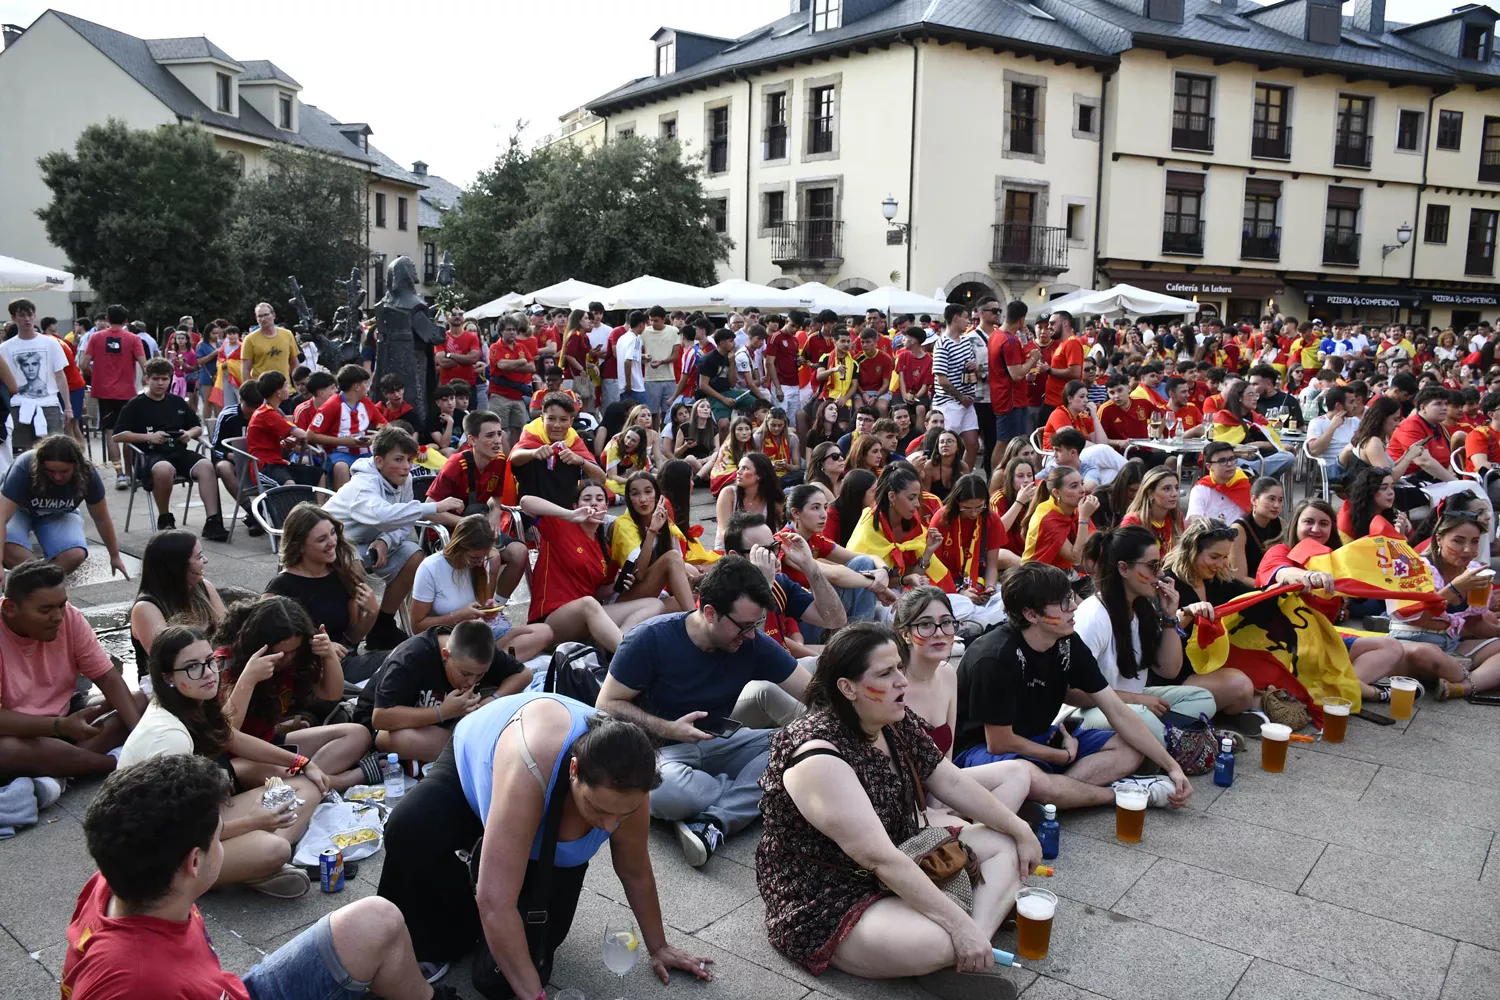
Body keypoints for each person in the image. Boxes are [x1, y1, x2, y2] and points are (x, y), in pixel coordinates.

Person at [376, 693, 713, 995]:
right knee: (410, 828)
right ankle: (416, 939)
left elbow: (635, 871)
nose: (609, 826)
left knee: (505, 978)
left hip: (540, 795)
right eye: (598, 808)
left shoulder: (633, 788)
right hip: (482, 756)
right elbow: (495, 902)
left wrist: (659, 946)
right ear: (575, 771)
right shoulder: (532, 768)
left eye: (621, 814)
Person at [755, 622, 1039, 979]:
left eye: (900, 669)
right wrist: (955, 927)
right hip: (832, 894)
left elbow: (949, 780)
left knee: (1005, 844)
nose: (903, 682)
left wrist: (1022, 828)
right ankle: (961, 946)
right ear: (847, 688)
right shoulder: (817, 757)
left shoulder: (891, 718)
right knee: (937, 940)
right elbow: (879, 858)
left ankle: (970, 951)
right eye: (886, 673)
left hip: (904, 850)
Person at [64, 754, 459, 999]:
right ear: (194, 863)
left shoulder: (115, 877)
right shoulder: (136, 984)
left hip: (226, 990)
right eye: (218, 832)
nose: (226, 836)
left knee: (378, 918)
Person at [597, 555, 810, 866]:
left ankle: (715, 820)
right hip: (659, 752)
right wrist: (668, 728)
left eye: (757, 624)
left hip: (717, 741)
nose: (751, 634)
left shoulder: (752, 642)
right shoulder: (650, 639)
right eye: (744, 626)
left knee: (799, 744)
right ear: (709, 612)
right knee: (665, 793)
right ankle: (758, 791)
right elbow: (606, 704)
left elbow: (813, 690)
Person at [955, 562, 1193, 809]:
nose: (1074, 607)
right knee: (1023, 773)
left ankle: (1050, 798)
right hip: (980, 751)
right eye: (1062, 603)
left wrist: (1172, 766)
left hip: (1039, 737)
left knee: (1129, 749)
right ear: (1031, 614)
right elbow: (999, 742)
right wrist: (1061, 755)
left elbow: (1115, 708)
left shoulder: (1066, 641)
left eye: (1070, 597)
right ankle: (1123, 795)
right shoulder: (995, 657)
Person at [118, 625, 325, 898]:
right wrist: (253, 822)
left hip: (201, 820)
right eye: (192, 667)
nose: (207, 673)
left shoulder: (189, 699)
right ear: (167, 676)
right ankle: (260, 863)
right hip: (162, 859)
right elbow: (182, 832)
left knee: (306, 787)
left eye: (210, 661)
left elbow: (230, 737)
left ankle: (257, 867)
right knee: (275, 848)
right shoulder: (169, 737)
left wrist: (301, 761)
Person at [0, 560, 144, 782]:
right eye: (45, 609)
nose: (58, 616)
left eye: (61, 605)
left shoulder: (70, 616)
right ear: (10, 608)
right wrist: (58, 727)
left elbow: (107, 677)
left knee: (139, 700)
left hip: (65, 718)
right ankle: (118, 764)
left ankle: (61, 770)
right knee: (7, 750)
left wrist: (138, 734)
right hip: (19, 731)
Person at [1073, 527, 1219, 746]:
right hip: (1086, 712)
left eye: (1159, 565)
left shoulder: (1143, 608)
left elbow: (1169, 671)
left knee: (1202, 698)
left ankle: (1169, 738)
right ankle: (1179, 740)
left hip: (1133, 704)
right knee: (1141, 716)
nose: (1160, 574)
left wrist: (1170, 618)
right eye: (1153, 566)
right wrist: (1136, 700)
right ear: (1123, 568)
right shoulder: (1093, 614)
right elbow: (1073, 693)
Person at [323, 426, 465, 650]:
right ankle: (348, 637)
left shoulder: (404, 479)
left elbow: (403, 521)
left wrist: (385, 541)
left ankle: (383, 625)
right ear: (378, 461)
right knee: (355, 567)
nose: (407, 467)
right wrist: (435, 506)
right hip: (337, 541)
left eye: (409, 460)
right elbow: (384, 515)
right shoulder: (363, 484)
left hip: (370, 540)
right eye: (398, 459)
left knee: (413, 554)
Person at [219, 595, 379, 791]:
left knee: (358, 734)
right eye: (281, 653)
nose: (287, 659)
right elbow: (226, 734)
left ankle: (310, 781)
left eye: (293, 651)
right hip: (234, 758)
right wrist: (248, 680)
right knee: (276, 774)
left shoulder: (294, 661)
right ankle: (344, 780)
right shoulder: (224, 663)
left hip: (271, 743)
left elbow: (332, 694)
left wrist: (328, 654)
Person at [520, 482, 667, 652]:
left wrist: (617, 585)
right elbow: (525, 502)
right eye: (587, 499)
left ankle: (614, 648)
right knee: (587, 604)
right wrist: (570, 515)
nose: (594, 503)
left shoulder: (603, 550)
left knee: (655, 605)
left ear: (606, 507)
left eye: (599, 499)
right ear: (576, 506)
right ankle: (626, 657)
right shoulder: (560, 527)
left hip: (586, 619)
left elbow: (595, 593)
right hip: (551, 621)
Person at [360, 620, 531, 763]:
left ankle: (422, 760)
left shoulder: (478, 651)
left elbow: (523, 674)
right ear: (445, 655)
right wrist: (443, 712)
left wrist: (493, 698)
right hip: (384, 727)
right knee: (465, 746)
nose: (472, 681)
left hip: (440, 723)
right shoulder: (412, 657)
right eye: (465, 673)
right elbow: (380, 718)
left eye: (480, 675)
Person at [265, 503, 390, 682]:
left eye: (332, 533)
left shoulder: (340, 575)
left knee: (406, 656)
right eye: (321, 539)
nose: (332, 541)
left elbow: (351, 639)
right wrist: (321, 647)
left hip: (344, 664)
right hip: (310, 675)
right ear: (300, 546)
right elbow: (270, 648)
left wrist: (371, 613)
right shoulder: (281, 588)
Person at [113, 357, 230, 540]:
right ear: (147, 379)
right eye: (156, 379)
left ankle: (213, 522)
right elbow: (118, 435)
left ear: (170, 379)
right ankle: (165, 518)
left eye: (165, 379)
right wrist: (148, 437)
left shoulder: (177, 402)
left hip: (178, 451)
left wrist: (189, 434)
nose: (161, 383)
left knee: (207, 466)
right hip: (149, 455)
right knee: (164, 469)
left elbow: (197, 427)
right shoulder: (135, 404)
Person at [1388, 510, 1500, 701]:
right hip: (1412, 643)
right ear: (1439, 539)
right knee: (1426, 653)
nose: (1468, 549)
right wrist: (1455, 588)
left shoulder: (1475, 572)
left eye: (1474, 541)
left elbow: (1474, 623)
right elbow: (1415, 617)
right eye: (1458, 541)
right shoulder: (1416, 567)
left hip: (1451, 645)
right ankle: (1474, 675)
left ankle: (1461, 687)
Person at [410, 514, 554, 660]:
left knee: (544, 632)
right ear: (459, 547)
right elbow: (417, 626)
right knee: (468, 652)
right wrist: (457, 617)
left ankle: (492, 662)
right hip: (452, 640)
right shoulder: (430, 568)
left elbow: (481, 606)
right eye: (474, 558)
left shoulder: (482, 562)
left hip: (481, 634)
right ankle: (495, 662)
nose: (480, 563)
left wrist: (487, 610)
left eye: (483, 557)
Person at [721, 511, 848, 657]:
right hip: (752, 676)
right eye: (763, 552)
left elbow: (835, 620)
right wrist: (764, 588)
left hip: (782, 667)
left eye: (774, 548)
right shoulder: (720, 592)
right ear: (735, 556)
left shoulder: (779, 583)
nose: (774, 558)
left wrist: (809, 566)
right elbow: (750, 651)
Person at [0, 434, 127, 577]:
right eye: (51, 471)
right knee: (10, 549)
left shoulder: (87, 473)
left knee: (74, 554)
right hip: (18, 510)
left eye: (64, 471)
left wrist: (115, 555)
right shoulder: (25, 465)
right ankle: (36, 584)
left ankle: (43, 584)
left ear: (77, 466)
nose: (57, 477)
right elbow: (2, 518)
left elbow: (101, 518)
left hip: (60, 513)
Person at [784, 483, 893, 640]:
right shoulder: (785, 541)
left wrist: (884, 571)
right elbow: (835, 575)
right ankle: (860, 640)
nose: (824, 514)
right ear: (796, 513)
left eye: (825, 507)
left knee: (862, 562)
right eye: (815, 508)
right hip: (798, 624)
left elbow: (867, 558)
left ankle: (861, 637)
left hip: (822, 617)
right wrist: (875, 585)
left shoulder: (815, 539)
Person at [129, 529, 226, 675]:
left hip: (212, 672)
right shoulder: (146, 608)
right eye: (199, 557)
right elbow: (169, 661)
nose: (205, 560)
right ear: (178, 566)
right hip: (172, 687)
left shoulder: (204, 587)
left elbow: (228, 632)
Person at [930, 472, 1018, 599]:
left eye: (979, 507)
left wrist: (990, 588)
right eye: (967, 508)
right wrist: (959, 591)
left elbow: (992, 564)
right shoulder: (941, 519)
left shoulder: (991, 519)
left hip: (977, 581)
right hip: (945, 583)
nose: (973, 513)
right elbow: (933, 567)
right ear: (957, 502)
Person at [509, 391, 606, 507]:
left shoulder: (574, 442)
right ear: (542, 419)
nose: (557, 425)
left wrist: (581, 461)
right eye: (551, 419)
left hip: (567, 514)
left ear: (571, 421)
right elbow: (513, 458)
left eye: (563, 420)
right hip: (533, 516)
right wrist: (533, 453)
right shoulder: (532, 436)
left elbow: (601, 478)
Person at [3, 297, 72, 450]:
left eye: (30, 314)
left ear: (35, 315)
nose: (27, 319)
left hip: (49, 403)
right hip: (19, 404)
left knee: (52, 449)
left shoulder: (51, 343)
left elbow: (60, 375)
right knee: (25, 451)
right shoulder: (6, 348)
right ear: (14, 318)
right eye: (22, 315)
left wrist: (67, 406)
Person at [308, 364, 389, 490]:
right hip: (338, 453)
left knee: (385, 463)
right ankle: (342, 505)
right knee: (341, 467)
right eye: (365, 383)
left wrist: (374, 437)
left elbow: (385, 426)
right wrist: (343, 442)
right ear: (356, 386)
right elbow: (310, 435)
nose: (367, 387)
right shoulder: (332, 405)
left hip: (365, 453)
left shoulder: (366, 402)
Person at [246, 370, 324, 486]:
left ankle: (318, 504)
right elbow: (302, 433)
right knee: (289, 483)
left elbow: (283, 439)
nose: (289, 388)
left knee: (321, 475)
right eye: (286, 385)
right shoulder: (266, 413)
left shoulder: (274, 411)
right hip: (264, 466)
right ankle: (291, 505)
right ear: (278, 393)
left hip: (278, 463)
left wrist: (289, 442)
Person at [931, 304, 982, 470]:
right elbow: (941, 379)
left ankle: (963, 479)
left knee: (973, 445)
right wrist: (961, 397)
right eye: (966, 317)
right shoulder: (942, 344)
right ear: (956, 318)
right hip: (949, 404)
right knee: (946, 448)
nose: (968, 321)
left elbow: (974, 373)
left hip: (967, 401)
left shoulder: (966, 341)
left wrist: (974, 368)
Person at [1021, 465, 1097, 577]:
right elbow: (1076, 558)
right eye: (1074, 486)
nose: (1082, 490)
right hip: (1037, 578)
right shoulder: (1047, 517)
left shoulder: (1076, 508)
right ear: (1056, 493)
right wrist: (1084, 519)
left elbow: (1091, 546)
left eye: (1082, 483)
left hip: (1064, 573)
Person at [1211, 380, 1294, 479]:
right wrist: (1242, 452)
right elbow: (1219, 446)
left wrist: (1257, 445)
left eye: (1256, 395)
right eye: (1251, 395)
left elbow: (1274, 443)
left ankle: (1253, 471)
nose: (1255, 399)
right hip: (1237, 458)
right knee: (1233, 464)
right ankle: (1257, 474)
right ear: (1239, 398)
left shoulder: (1257, 418)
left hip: (1259, 457)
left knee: (1288, 457)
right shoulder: (1224, 416)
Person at [714, 451, 785, 551]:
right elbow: (724, 533)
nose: (738, 472)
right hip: (729, 552)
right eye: (739, 468)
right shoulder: (728, 494)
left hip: (762, 552)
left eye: (745, 468)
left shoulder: (773, 499)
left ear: (760, 475)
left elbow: (787, 530)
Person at [1229, 476, 1284, 586]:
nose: (1277, 505)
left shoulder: (1281, 524)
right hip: (1251, 589)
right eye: (1271, 499)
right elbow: (1239, 577)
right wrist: (1271, 588)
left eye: (1280, 500)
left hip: (1276, 583)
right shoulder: (1239, 529)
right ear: (1254, 500)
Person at [1119, 465, 1183, 556]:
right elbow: (1124, 558)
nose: (1175, 494)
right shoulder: (1133, 521)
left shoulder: (1177, 517)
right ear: (1150, 493)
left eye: (1176, 488)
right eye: (1167, 489)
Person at [241, 302, 298, 383]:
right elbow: (245, 369)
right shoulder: (249, 339)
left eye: (266, 315)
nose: (263, 319)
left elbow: (294, 362)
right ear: (256, 319)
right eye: (260, 316)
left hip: (285, 388)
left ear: (273, 315)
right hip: (262, 389)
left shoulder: (287, 334)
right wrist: (250, 392)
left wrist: (298, 384)